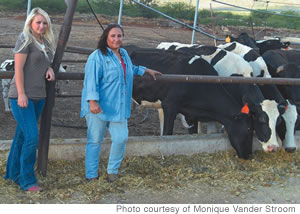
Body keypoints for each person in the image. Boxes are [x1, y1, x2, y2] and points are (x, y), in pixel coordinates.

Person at [80, 24, 161, 182]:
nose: (116, 39)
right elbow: (91, 81)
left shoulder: (123, 54)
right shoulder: (97, 56)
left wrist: (145, 70)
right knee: (95, 140)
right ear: (106, 37)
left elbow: (129, 68)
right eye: (113, 36)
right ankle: (91, 175)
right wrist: (92, 102)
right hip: (99, 106)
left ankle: (112, 171)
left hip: (118, 105)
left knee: (121, 138)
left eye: (119, 36)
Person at [4, 7, 55, 192]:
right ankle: (27, 181)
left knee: (21, 137)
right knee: (32, 138)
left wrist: (49, 69)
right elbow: (18, 70)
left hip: (39, 96)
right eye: (38, 22)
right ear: (31, 24)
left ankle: (11, 174)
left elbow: (43, 62)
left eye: (44, 23)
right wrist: (22, 93)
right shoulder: (25, 40)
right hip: (22, 97)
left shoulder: (46, 43)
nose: (41, 26)